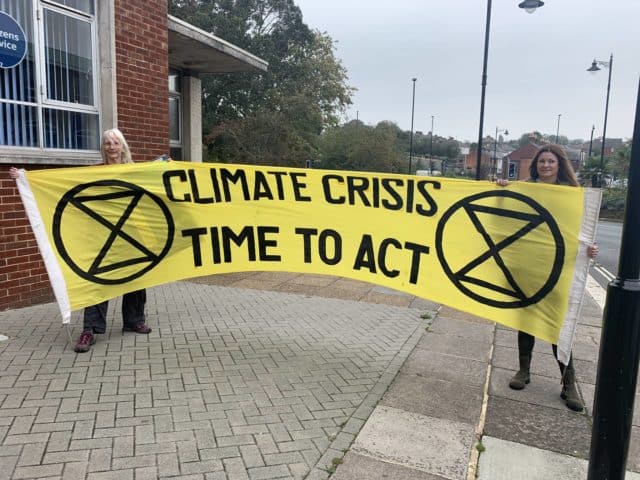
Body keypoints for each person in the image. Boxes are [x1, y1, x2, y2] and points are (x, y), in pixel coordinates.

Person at [9, 128, 152, 354]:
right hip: (99, 235)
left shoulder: (134, 170)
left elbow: (155, 179)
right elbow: (62, 182)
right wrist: (26, 178)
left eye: (116, 143)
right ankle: (90, 329)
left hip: (131, 234)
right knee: (96, 281)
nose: (112, 147)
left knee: (134, 278)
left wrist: (166, 164)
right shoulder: (92, 172)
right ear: (103, 148)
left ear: (123, 146)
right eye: (107, 143)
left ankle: (134, 320)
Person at [497, 144, 599, 412]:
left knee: (557, 325)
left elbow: (581, 231)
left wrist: (590, 248)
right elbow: (504, 214)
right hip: (528, 266)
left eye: (550, 161)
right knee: (527, 319)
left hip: (558, 268)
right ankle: (523, 371)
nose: (545, 166)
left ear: (559, 164)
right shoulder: (525, 188)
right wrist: (501, 189)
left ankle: (569, 383)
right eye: (541, 161)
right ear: (535, 165)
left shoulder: (572, 195)